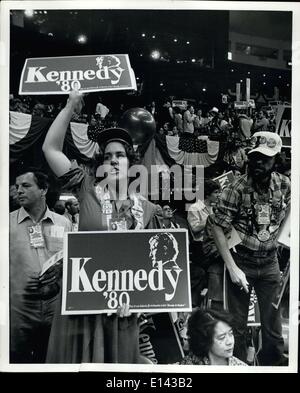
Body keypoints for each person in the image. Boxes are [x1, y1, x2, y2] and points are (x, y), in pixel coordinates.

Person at [42, 90, 159, 363]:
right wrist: (71, 106)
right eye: (107, 157)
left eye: (120, 155)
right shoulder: (87, 188)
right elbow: (51, 149)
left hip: (123, 307)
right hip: (81, 303)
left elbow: (150, 264)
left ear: (131, 162)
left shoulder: (147, 208)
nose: (113, 160)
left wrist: (140, 304)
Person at [210, 131, 290, 366]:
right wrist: (232, 268)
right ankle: (239, 367)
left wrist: (283, 238)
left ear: (276, 159)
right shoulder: (237, 188)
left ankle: (273, 367)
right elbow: (216, 226)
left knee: (273, 328)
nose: (258, 163)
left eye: (265, 159)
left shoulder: (284, 184)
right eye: (254, 157)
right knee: (237, 326)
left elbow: (292, 209)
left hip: (270, 263)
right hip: (241, 260)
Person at [9, 169, 72, 363]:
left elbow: (71, 261)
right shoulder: (6, 224)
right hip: (20, 311)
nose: (18, 191)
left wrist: (61, 270)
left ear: (43, 190)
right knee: (19, 360)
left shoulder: (64, 223)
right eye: (17, 186)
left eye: (26, 186)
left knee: (54, 358)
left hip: (55, 307)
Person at [179, 308, 247, 365]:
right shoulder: (187, 366)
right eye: (222, 337)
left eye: (231, 334)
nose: (230, 342)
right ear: (205, 340)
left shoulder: (241, 367)